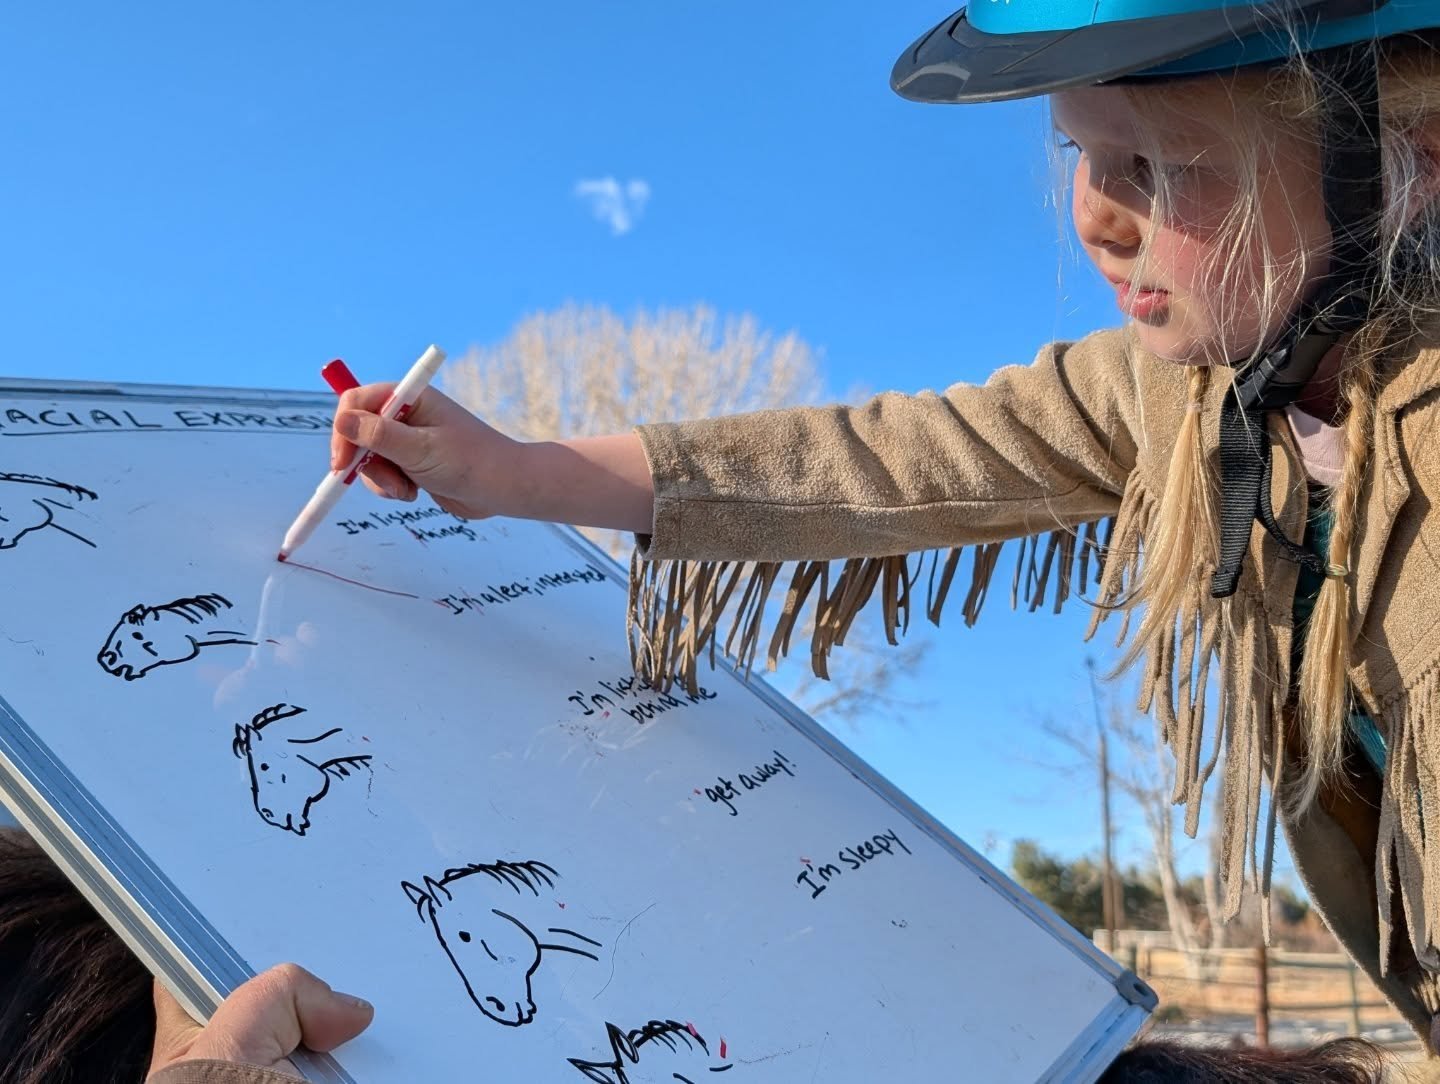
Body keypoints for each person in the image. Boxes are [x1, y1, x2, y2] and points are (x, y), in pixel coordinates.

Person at [330, 0, 1440, 1057]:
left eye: (1166, 167)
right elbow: (888, 460)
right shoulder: (1188, 392)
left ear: (1408, 162)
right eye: (1079, 154)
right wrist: (513, 471)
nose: (1097, 217)